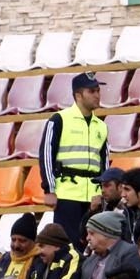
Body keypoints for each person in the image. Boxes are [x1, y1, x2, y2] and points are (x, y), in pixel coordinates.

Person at [40, 72, 108, 246]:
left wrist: (104, 191)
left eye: (98, 91)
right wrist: (49, 189)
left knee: (94, 246)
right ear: (78, 95)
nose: (97, 95)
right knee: (69, 246)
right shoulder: (59, 120)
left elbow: (104, 162)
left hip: (93, 196)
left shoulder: (101, 126)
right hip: (67, 195)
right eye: (91, 91)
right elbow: (46, 155)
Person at [0, 213, 41, 279]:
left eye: (22, 241)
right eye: (13, 240)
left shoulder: (39, 261)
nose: (16, 245)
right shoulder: (6, 258)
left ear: (33, 242)